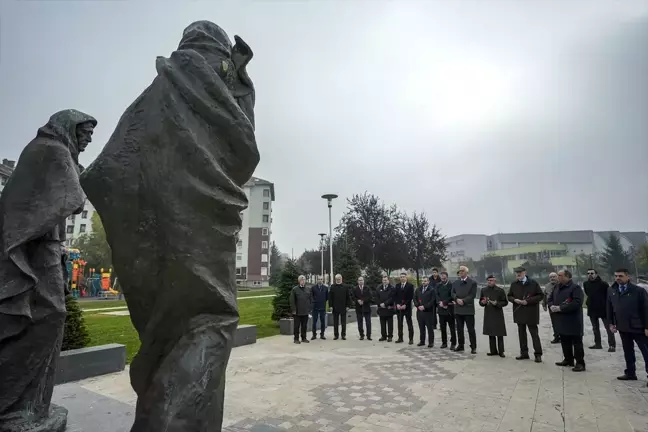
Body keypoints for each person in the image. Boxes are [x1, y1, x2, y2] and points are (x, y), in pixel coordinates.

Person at [607, 268, 648, 385]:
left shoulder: (638, 291)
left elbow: (646, 309)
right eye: (616, 276)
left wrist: (647, 326)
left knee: (645, 351)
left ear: (627, 277)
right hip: (623, 327)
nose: (618, 278)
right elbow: (609, 308)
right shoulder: (612, 290)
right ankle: (630, 373)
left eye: (620, 276)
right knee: (627, 351)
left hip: (638, 327)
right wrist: (611, 322)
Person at [548, 269, 585, 372]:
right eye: (558, 276)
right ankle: (568, 359)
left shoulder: (575, 288)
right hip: (560, 319)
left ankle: (580, 363)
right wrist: (551, 306)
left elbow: (577, 302)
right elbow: (550, 298)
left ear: (567, 277)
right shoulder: (556, 287)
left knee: (577, 342)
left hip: (573, 320)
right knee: (564, 341)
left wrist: (561, 308)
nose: (558, 277)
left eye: (560, 275)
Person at [508, 266, 544, 363]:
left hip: (531, 312)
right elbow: (509, 296)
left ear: (525, 272)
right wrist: (514, 300)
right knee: (521, 334)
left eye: (520, 272)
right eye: (517, 272)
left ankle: (538, 354)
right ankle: (524, 353)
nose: (518, 274)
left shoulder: (533, 283)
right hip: (519, 311)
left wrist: (528, 301)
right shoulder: (514, 284)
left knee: (534, 334)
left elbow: (540, 295)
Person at [584, 269, 615, 352]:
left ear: (596, 274)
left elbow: (608, 295)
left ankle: (612, 345)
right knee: (595, 328)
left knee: (608, 327)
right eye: (588, 273)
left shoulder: (603, 284)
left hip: (603, 308)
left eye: (592, 273)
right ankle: (598, 344)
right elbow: (587, 293)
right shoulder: (586, 284)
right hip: (592, 308)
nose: (590, 275)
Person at [479, 275, 509, 357]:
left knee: (499, 333)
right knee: (491, 333)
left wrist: (497, 303)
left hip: (497, 314)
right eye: (488, 280)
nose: (489, 282)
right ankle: (493, 350)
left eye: (491, 280)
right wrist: (483, 303)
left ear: (495, 281)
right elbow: (480, 302)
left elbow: (505, 302)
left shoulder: (500, 290)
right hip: (488, 313)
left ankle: (501, 351)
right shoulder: (484, 290)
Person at [451, 265, 478, 354]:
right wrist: (456, 299)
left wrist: (464, 301)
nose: (460, 272)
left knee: (470, 329)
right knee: (459, 329)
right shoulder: (455, 283)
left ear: (466, 272)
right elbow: (452, 293)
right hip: (458, 309)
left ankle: (473, 346)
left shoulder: (472, 283)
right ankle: (461, 345)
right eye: (459, 271)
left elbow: (472, 295)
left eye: (462, 271)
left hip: (468, 309)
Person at [414, 276, 437, 347]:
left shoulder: (432, 290)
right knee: (421, 327)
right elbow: (414, 298)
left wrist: (425, 306)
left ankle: (431, 342)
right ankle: (422, 341)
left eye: (425, 281)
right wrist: (418, 305)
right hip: (419, 312)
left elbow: (432, 300)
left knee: (429, 328)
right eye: (423, 281)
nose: (423, 282)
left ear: (428, 282)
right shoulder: (418, 289)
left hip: (428, 312)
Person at [290, 275, 313, 344]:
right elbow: (292, 301)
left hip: (305, 311)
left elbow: (311, 299)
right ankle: (296, 339)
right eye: (301, 280)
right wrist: (294, 310)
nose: (303, 281)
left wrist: (310, 308)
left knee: (304, 326)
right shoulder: (295, 289)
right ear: (299, 281)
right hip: (297, 312)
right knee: (296, 326)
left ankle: (304, 338)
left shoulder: (308, 289)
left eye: (304, 280)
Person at [329, 274, 352, 340]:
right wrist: (330, 306)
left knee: (343, 323)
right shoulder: (332, 287)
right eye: (337, 279)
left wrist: (348, 306)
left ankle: (343, 335)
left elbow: (348, 297)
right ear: (335, 279)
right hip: (335, 307)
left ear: (341, 279)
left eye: (339, 279)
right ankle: (336, 335)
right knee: (335, 323)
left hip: (343, 307)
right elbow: (330, 297)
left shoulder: (345, 287)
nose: (338, 280)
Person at [437, 271, 457, 350]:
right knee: (442, 327)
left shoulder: (451, 285)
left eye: (444, 277)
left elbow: (452, 296)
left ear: (447, 277)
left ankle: (453, 343)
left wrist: (445, 303)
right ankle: (444, 342)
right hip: (441, 309)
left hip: (449, 309)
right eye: (442, 277)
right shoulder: (438, 285)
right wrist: (440, 303)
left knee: (452, 327)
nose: (443, 279)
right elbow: (436, 295)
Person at [393, 272, 415, 344]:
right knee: (399, 323)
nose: (402, 278)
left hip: (407, 308)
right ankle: (400, 338)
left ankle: (411, 339)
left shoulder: (410, 286)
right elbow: (395, 296)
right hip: (399, 308)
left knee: (409, 324)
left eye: (403, 277)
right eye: (401, 277)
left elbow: (411, 297)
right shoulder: (397, 286)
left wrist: (405, 304)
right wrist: (397, 304)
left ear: (406, 278)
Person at [376, 275, 395, 342]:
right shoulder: (379, 288)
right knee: (382, 323)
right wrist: (380, 304)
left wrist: (385, 303)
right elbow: (377, 297)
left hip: (389, 308)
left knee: (390, 324)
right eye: (383, 280)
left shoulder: (392, 288)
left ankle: (390, 336)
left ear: (388, 281)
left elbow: (392, 298)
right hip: (381, 308)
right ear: (382, 281)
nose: (384, 281)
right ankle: (383, 336)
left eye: (386, 280)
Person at [353, 276, 373, 341]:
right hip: (359, 308)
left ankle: (369, 335)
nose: (360, 281)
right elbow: (353, 297)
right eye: (359, 280)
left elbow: (370, 297)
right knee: (360, 323)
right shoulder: (355, 289)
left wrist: (363, 301)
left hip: (366, 307)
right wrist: (357, 300)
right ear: (357, 281)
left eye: (362, 280)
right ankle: (361, 335)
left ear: (364, 281)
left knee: (368, 322)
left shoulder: (367, 288)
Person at [543, 272, 561, 344]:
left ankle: (564, 337)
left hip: (560, 306)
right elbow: (544, 296)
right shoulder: (547, 286)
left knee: (562, 322)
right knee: (554, 322)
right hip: (551, 306)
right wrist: (544, 305)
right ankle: (556, 336)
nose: (552, 278)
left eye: (554, 276)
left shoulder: (561, 285)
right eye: (551, 277)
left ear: (557, 277)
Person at [311, 276, 328, 340]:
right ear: (317, 280)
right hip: (315, 308)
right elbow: (311, 296)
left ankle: (322, 334)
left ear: (322, 280)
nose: (320, 280)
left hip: (322, 308)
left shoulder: (325, 288)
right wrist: (314, 301)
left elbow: (326, 298)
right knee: (314, 322)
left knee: (323, 322)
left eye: (321, 279)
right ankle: (314, 335)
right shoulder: (313, 288)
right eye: (319, 279)